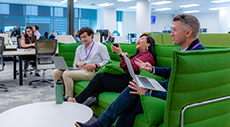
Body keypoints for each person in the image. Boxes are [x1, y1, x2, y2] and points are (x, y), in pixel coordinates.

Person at [75, 14, 205, 127]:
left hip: (170, 93)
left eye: (174, 30)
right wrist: (152, 69)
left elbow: (181, 93)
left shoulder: (195, 57)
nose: (171, 34)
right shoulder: (187, 51)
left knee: (132, 90)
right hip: (166, 86)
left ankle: (99, 124)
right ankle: (99, 123)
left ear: (188, 33)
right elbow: (173, 71)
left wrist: (148, 92)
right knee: (132, 91)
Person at [67, 33, 157, 105]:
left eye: (142, 39)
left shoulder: (147, 55)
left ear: (148, 44)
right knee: (102, 80)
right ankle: (92, 97)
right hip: (128, 78)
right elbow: (124, 68)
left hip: (132, 81)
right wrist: (123, 57)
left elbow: (132, 69)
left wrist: (121, 55)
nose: (138, 40)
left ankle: (77, 100)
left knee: (100, 77)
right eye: (138, 38)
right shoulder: (138, 55)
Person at [53, 27, 110, 98]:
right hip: (80, 70)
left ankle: (68, 98)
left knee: (67, 74)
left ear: (91, 35)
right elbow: (74, 64)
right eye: (81, 37)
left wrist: (96, 65)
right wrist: (77, 64)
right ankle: (61, 96)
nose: (83, 39)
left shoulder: (100, 47)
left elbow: (107, 61)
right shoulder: (79, 48)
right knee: (56, 72)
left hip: (92, 72)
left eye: (85, 37)